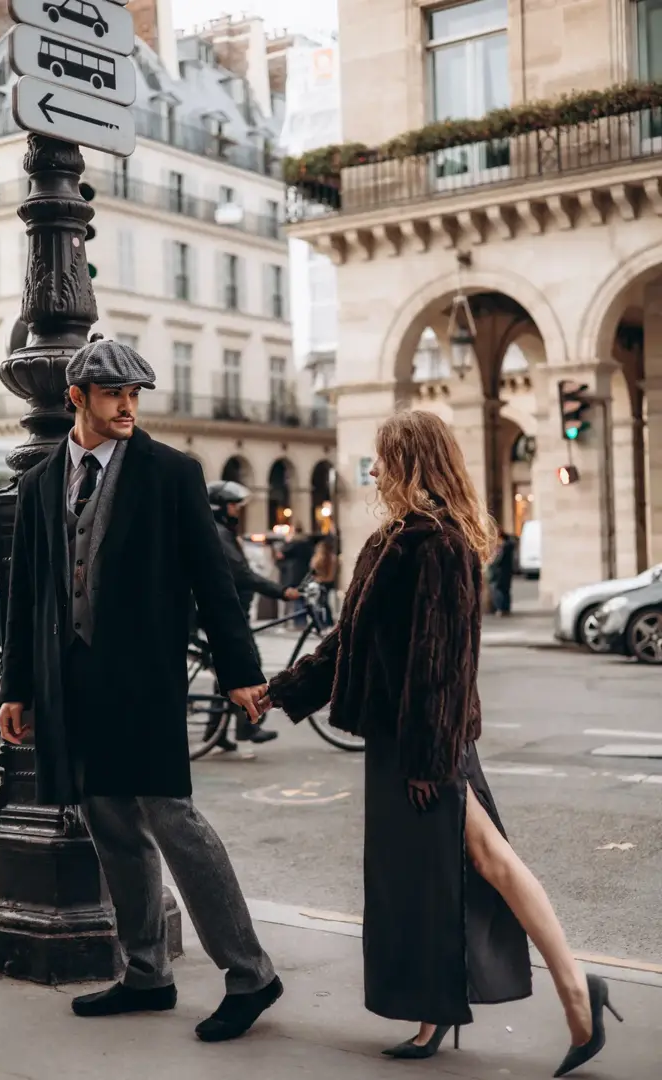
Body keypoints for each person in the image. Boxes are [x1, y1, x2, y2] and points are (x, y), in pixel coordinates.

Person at [260, 410, 621, 1077]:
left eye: (383, 457)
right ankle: (453, 1010)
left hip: (426, 741)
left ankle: (575, 993)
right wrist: (280, 691)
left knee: (484, 859)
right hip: (403, 739)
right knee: (444, 870)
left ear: (412, 462)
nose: (373, 469)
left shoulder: (440, 546)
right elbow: (350, 643)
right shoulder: (390, 541)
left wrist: (428, 759)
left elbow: (445, 663)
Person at [0, 339, 283, 1042]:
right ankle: (145, 974)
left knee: (173, 821)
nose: (127, 405)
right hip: (73, 683)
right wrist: (17, 687)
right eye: (113, 394)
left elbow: (213, 583)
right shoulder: (39, 486)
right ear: (78, 398)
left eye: (134, 395)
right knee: (111, 827)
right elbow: (28, 595)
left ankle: (250, 974)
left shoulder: (171, 474)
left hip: (144, 680)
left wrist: (242, 670)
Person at [206, 479, 299, 751]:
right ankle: (248, 726)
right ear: (221, 507)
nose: (237, 510)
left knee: (223, 671)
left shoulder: (222, 532)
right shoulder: (219, 535)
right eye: (234, 505)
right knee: (249, 668)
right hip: (230, 614)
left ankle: (215, 732)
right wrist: (282, 592)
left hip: (236, 611)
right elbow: (242, 575)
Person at [276, 524, 314, 628]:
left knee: (295, 597)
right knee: (302, 597)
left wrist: (286, 542)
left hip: (293, 574)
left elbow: (280, 555)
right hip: (304, 573)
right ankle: (302, 621)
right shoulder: (307, 543)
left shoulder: (293, 543)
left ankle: (298, 623)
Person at [487, 523, 516, 616]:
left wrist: (492, 562)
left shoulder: (504, 546)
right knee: (505, 590)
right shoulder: (508, 544)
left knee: (498, 590)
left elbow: (498, 560)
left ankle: (501, 608)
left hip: (500, 572)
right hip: (505, 572)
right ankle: (505, 608)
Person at [309, 537, 337, 627]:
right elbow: (312, 570)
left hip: (325, 582)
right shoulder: (317, 558)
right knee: (320, 603)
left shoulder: (331, 558)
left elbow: (331, 573)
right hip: (320, 582)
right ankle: (321, 622)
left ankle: (326, 622)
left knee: (323, 602)